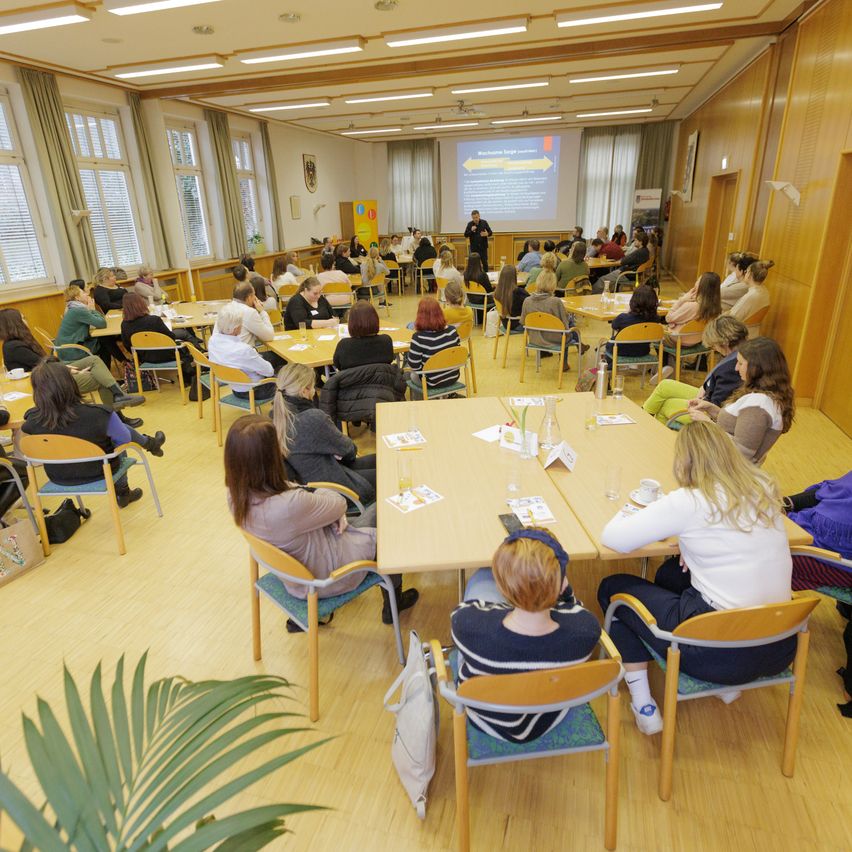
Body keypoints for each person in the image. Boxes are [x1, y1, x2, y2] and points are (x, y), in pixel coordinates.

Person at [598, 421, 796, 735]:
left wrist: (631, 507)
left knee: (612, 589)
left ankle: (643, 703)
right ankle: (725, 687)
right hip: (780, 645)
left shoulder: (689, 500)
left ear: (684, 462)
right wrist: (691, 547)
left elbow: (614, 538)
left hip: (717, 654)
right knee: (668, 573)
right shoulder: (761, 489)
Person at [224, 414, 418, 628]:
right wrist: (328, 506)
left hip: (293, 573)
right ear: (270, 457)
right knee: (389, 506)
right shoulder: (290, 504)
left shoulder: (235, 495)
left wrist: (326, 513)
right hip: (327, 576)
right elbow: (338, 501)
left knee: (357, 513)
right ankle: (394, 602)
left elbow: (295, 497)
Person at [451, 528, 601, 744]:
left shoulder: (467, 626)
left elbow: (469, 607)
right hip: (547, 715)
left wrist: (503, 607)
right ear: (561, 583)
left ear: (503, 587)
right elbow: (572, 607)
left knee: (479, 582)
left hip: (486, 716)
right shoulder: (586, 631)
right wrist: (562, 592)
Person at [21, 360, 165, 508]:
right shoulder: (99, 414)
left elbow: (30, 451)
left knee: (115, 432)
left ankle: (151, 444)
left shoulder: (31, 421)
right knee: (117, 440)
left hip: (59, 476)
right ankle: (123, 491)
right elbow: (125, 439)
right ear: (71, 384)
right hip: (99, 472)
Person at [0, 307, 143, 415]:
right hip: (49, 382)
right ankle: (117, 416)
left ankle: (119, 396)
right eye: (23, 318)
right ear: (15, 323)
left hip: (52, 372)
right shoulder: (14, 347)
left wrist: (65, 367)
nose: (26, 320)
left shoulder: (18, 342)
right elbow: (43, 363)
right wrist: (68, 369)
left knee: (94, 360)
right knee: (101, 378)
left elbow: (46, 362)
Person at [273, 364, 377, 504]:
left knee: (383, 460)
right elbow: (350, 451)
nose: (315, 392)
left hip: (314, 487)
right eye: (313, 387)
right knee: (390, 472)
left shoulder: (276, 419)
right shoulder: (312, 418)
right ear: (304, 391)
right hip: (337, 489)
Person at [689, 336, 794, 464]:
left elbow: (742, 453)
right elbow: (739, 424)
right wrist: (712, 409)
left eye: (741, 363)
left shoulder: (758, 406)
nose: (736, 368)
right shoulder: (762, 397)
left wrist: (708, 423)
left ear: (756, 367)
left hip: (727, 472)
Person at [643, 315, 749, 424]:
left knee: (666, 405)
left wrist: (703, 397)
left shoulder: (731, 368)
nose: (714, 348)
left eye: (714, 345)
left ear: (723, 343)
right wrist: (704, 387)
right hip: (709, 395)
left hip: (712, 412)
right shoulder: (740, 354)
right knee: (665, 385)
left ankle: (647, 425)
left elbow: (716, 405)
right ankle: (644, 418)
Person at [120, 293, 194, 385]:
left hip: (145, 358)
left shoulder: (124, 325)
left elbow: (127, 344)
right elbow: (171, 337)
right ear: (141, 304)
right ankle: (195, 366)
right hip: (168, 355)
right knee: (184, 341)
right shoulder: (154, 320)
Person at [208, 303, 276, 401]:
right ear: (236, 329)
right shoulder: (243, 350)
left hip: (235, 387)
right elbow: (269, 371)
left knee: (270, 357)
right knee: (286, 374)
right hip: (256, 390)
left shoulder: (212, 341)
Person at [55, 284, 125, 371]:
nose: (86, 294)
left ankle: (123, 363)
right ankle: (120, 365)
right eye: (83, 293)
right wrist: (92, 309)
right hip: (73, 350)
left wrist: (90, 310)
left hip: (66, 348)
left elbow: (100, 320)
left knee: (105, 340)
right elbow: (102, 323)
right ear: (77, 298)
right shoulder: (78, 310)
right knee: (105, 341)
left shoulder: (72, 307)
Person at [519, 270, 580, 368]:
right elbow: (565, 326)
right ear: (553, 284)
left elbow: (523, 322)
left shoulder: (527, 301)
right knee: (568, 327)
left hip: (535, 339)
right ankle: (563, 363)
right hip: (556, 340)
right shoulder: (555, 302)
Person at [406, 297, 461, 391]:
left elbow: (414, 366)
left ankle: (421, 400)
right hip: (453, 376)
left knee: (408, 374)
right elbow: (456, 353)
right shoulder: (452, 331)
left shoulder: (418, 338)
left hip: (431, 382)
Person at [600, 284, 662, 366]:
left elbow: (614, 326)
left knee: (611, 341)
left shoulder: (623, 318)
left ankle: (609, 367)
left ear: (633, 301)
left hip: (619, 350)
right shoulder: (655, 319)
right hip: (642, 351)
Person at [662, 272, 722, 348]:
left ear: (702, 286)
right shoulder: (715, 307)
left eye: (698, 280)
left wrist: (682, 300)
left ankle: (668, 359)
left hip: (679, 340)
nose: (695, 282)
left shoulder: (693, 306)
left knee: (654, 332)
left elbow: (668, 318)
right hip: (698, 339)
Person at [333, 301, 393, 371]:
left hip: (353, 381)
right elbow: (390, 359)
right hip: (383, 381)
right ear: (375, 319)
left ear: (352, 322)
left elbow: (337, 365)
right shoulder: (386, 341)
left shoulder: (345, 345)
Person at [727, 259, 773, 327]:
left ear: (749, 274)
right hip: (753, 331)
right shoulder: (765, 292)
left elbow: (731, 319)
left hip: (740, 333)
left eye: (746, 271)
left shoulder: (751, 296)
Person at [493, 264, 528, 331]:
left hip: (505, 323)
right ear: (514, 276)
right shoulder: (518, 292)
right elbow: (530, 302)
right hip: (517, 324)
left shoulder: (497, 291)